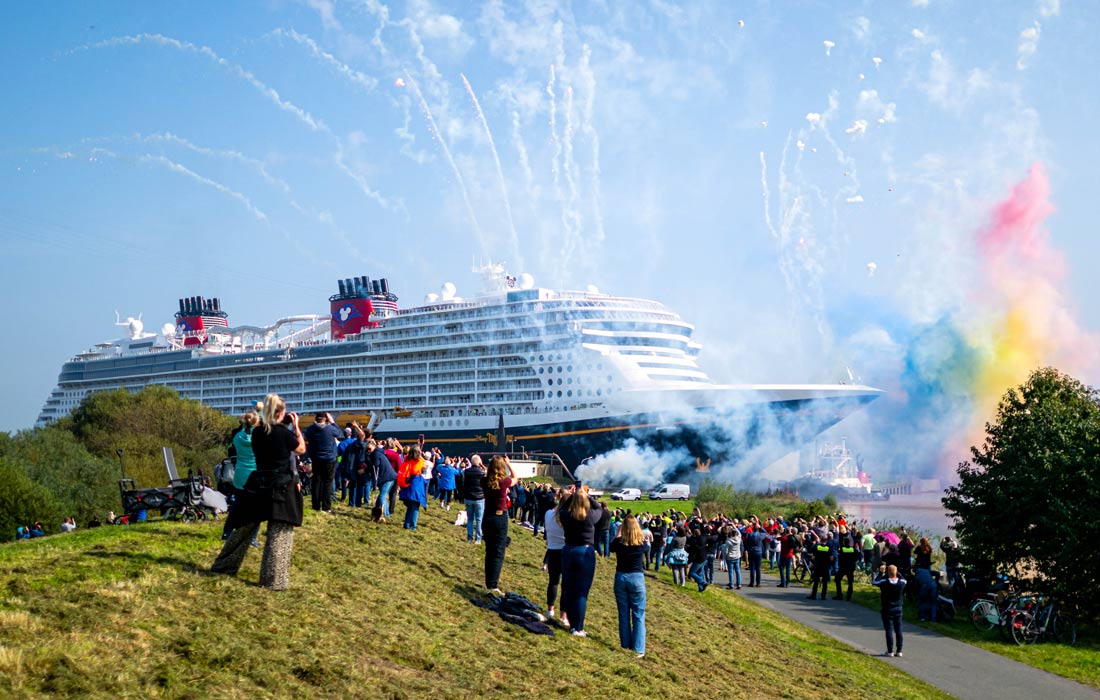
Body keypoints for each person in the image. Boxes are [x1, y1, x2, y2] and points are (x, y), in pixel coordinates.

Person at [211, 393, 306, 590]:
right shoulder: (285, 434)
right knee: (279, 535)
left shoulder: (257, 432)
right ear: (280, 413)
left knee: (244, 528)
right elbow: (301, 449)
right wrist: (296, 426)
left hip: (258, 482)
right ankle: (273, 580)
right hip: (281, 485)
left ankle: (224, 565)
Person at [558, 486, 606, 637]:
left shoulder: (566, 515)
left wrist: (573, 495)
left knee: (569, 590)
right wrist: (587, 495)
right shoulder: (591, 516)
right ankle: (578, 628)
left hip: (568, 551)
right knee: (581, 593)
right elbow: (600, 508)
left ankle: (572, 625)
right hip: (585, 552)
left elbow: (562, 508)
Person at [610, 515, 647, 658]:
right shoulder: (641, 545)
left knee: (623, 614)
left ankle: (625, 645)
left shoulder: (619, 543)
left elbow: (612, 546)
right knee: (638, 614)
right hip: (636, 578)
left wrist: (618, 532)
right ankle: (638, 649)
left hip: (621, 576)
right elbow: (646, 546)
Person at [481, 456, 515, 596]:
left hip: (487, 517)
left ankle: (489, 582)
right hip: (500, 517)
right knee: (498, 552)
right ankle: (493, 585)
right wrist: (509, 464)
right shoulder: (504, 481)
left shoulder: (484, 481)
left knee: (489, 551)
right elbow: (515, 477)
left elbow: (488, 475)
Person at [303, 412, 343, 513]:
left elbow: (306, 437)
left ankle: (315, 505)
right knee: (328, 482)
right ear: (325, 419)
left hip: (316, 458)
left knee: (316, 481)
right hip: (330, 458)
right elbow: (338, 433)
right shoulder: (330, 428)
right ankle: (326, 507)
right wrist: (332, 422)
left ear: (315, 419)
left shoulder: (310, 429)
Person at [543, 489, 567, 626]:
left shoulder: (548, 514)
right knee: (565, 585)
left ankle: (550, 610)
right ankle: (564, 615)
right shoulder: (567, 517)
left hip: (552, 550)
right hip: (565, 551)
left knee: (553, 582)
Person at [872, 564, 907, 657]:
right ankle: (899, 650)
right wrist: (898, 573)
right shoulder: (901, 583)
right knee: (899, 630)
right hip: (898, 608)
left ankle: (890, 651)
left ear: (888, 573)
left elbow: (874, 582)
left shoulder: (884, 582)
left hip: (887, 608)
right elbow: (904, 580)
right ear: (896, 572)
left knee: (889, 630)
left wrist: (880, 572)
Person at [397, 446, 428, 530]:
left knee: (410, 506)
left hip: (407, 483)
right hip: (416, 484)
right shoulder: (419, 462)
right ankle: (412, 526)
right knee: (415, 506)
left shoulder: (407, 460)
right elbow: (426, 464)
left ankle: (406, 524)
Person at [371, 438, 397, 522]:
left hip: (387, 477)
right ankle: (379, 511)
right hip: (391, 476)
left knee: (382, 495)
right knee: (382, 495)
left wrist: (375, 483)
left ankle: (385, 513)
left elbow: (375, 468)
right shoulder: (381, 453)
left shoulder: (376, 455)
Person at [462, 455, 486, 543]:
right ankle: (478, 539)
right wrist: (482, 465)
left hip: (468, 497)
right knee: (479, 520)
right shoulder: (482, 472)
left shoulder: (466, 472)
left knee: (470, 519)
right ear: (479, 462)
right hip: (479, 498)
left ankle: (469, 538)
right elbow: (488, 472)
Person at [834, 527, 859, 601]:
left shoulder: (842, 549)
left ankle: (839, 595)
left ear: (844, 543)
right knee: (850, 582)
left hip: (843, 567)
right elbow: (857, 556)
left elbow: (839, 556)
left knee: (837, 579)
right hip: (851, 567)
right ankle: (849, 597)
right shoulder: (853, 549)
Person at [686, 526, 709, 592]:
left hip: (698, 559)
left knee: (691, 573)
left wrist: (689, 562)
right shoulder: (703, 538)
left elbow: (693, 553)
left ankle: (703, 582)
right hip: (704, 558)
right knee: (699, 573)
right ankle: (701, 588)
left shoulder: (695, 542)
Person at [721, 525, 742, 590]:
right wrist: (734, 526)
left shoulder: (728, 541)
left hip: (730, 557)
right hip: (737, 556)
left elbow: (726, 550)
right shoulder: (739, 539)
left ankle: (731, 584)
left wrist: (725, 557)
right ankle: (739, 584)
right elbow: (740, 533)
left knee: (731, 572)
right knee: (738, 571)